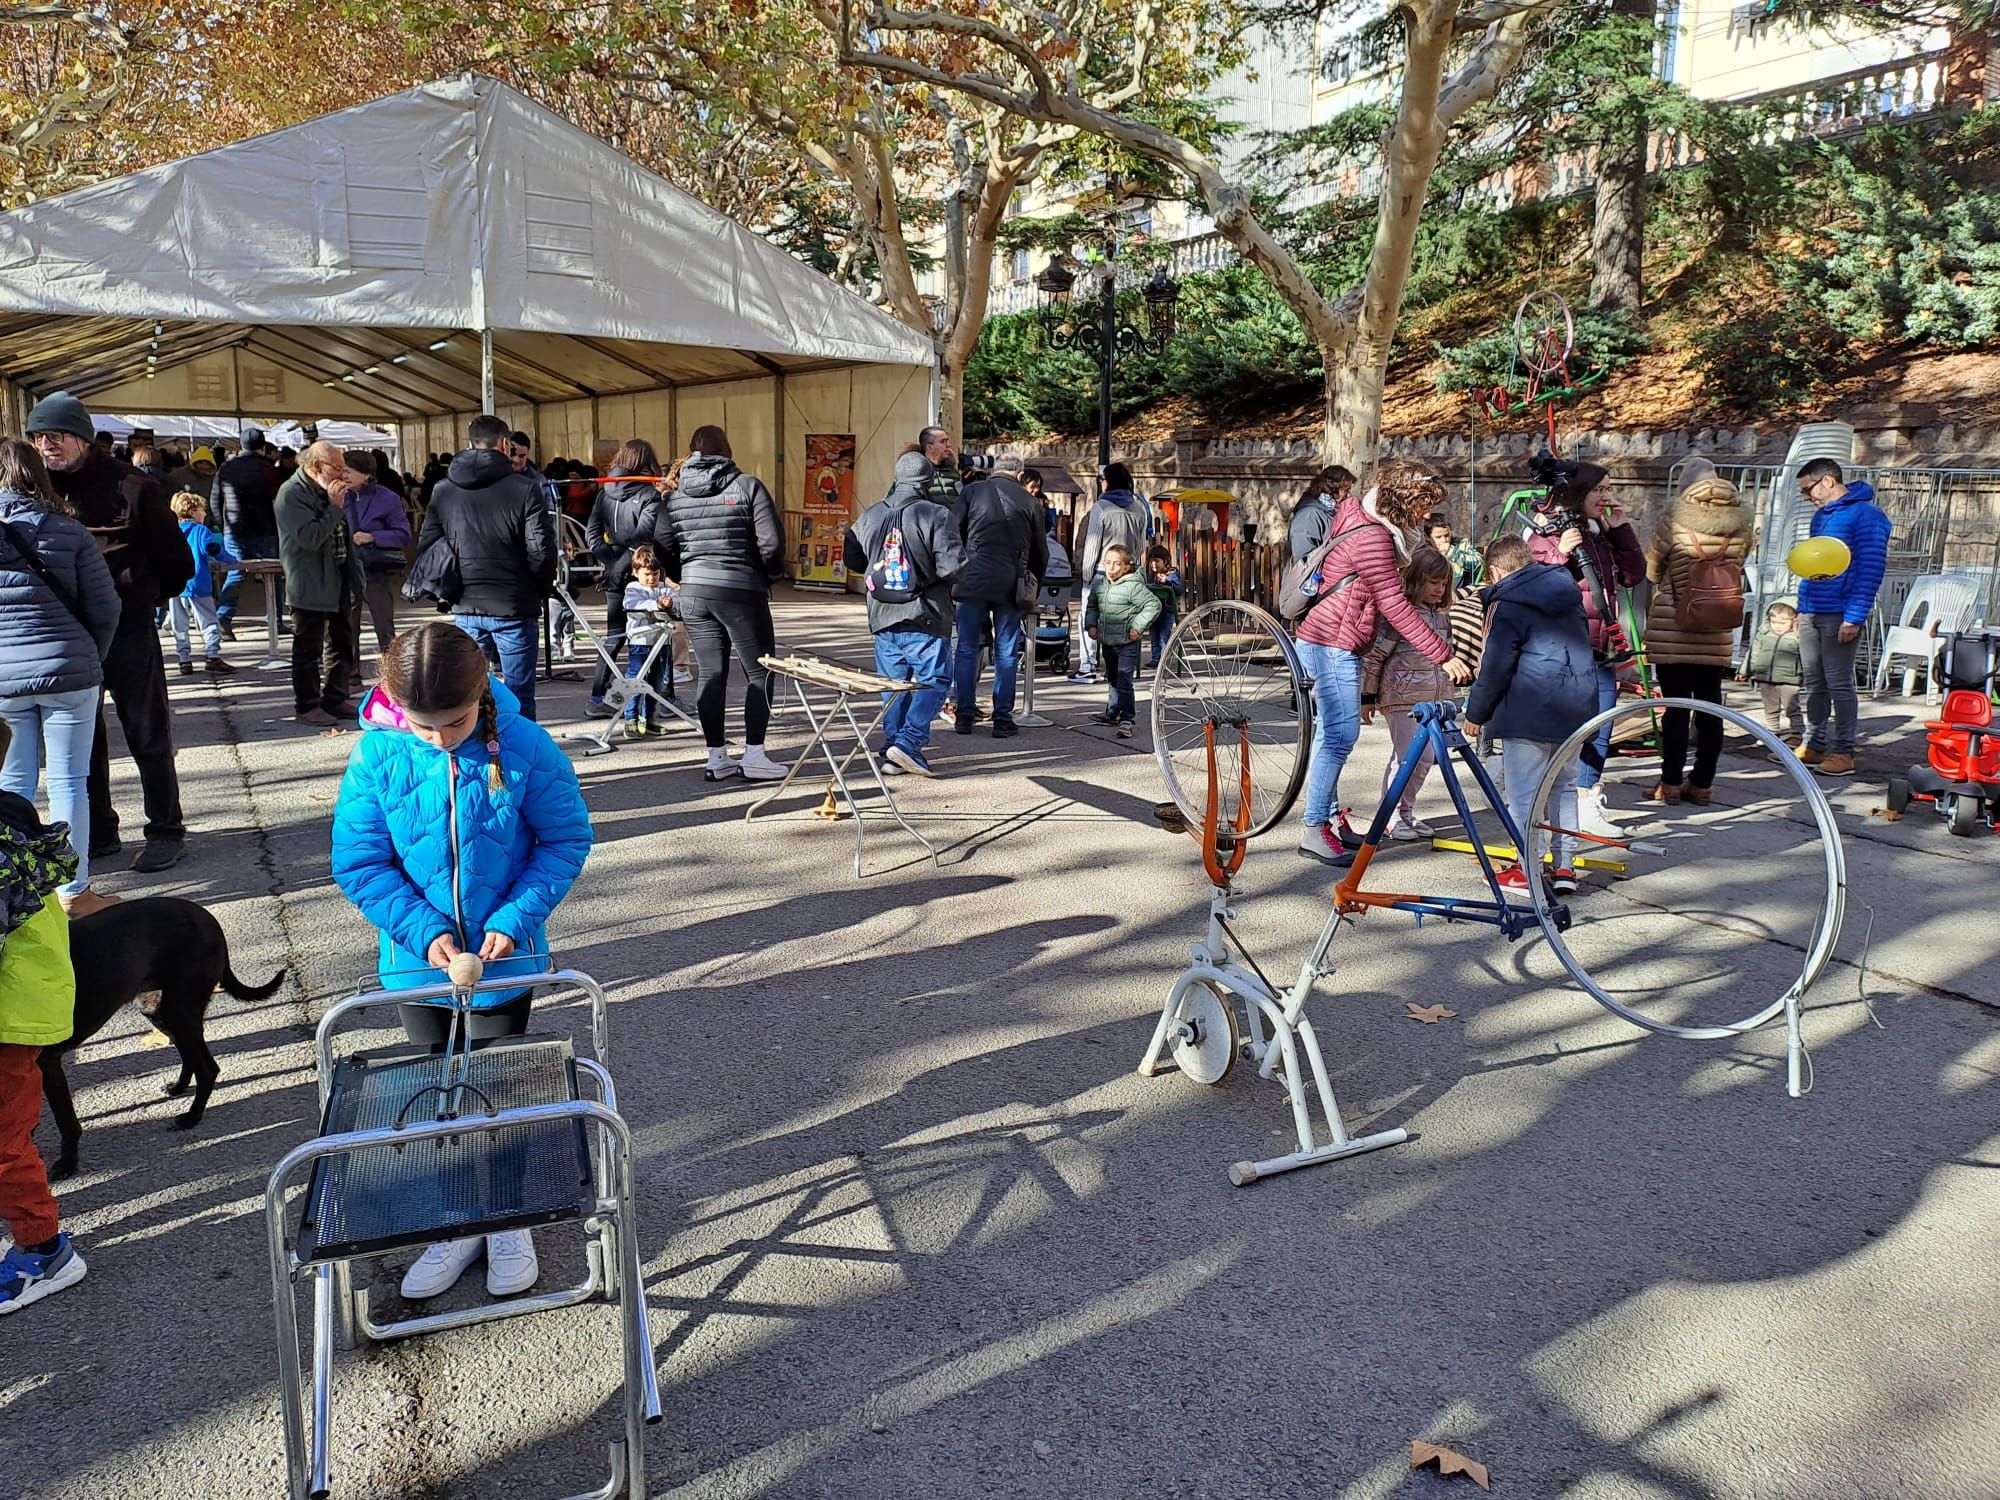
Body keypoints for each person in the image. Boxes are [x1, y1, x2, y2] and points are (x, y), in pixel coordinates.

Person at [331, 622, 591, 1303]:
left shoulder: (527, 744)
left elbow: (565, 839)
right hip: (421, 967)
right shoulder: (378, 752)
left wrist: (511, 920)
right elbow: (359, 862)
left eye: (455, 722)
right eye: (425, 727)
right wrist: (423, 933)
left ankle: (506, 1218)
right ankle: (454, 1217)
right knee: (436, 1094)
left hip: (505, 966)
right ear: (394, 706)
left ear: (482, 694)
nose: (441, 739)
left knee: (499, 1089)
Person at [29, 392, 192, 875]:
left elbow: (177, 564)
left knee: (147, 732)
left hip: (128, 631)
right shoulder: (36, 488)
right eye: (38, 437)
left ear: (80, 437)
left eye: (55, 436)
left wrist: (137, 598)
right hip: (70, 634)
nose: (46, 446)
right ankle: (100, 829)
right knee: (82, 737)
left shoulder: (136, 488)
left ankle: (165, 829)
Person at [1293, 459, 1473, 868]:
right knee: (1339, 736)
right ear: (1405, 498)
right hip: (1332, 641)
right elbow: (1394, 604)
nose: (1427, 513)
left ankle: (1330, 821)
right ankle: (1314, 828)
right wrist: (1443, 655)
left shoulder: (1365, 517)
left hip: (1334, 639)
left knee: (1330, 736)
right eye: (1424, 503)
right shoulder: (1374, 536)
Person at [0, 439, 121, 918]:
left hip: (5, 678)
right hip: (69, 672)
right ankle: (75, 892)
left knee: (13, 779)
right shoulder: (68, 531)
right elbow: (107, 606)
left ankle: (15, 885)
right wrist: (93, 655)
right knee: (70, 781)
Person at [0, 737, 89, 1316]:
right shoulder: (10, 812)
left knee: (4, 1140)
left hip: (10, 1016)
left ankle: (45, 1251)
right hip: (19, 1003)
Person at [1461, 533, 1596, 894]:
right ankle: (1565, 865)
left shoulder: (1508, 602)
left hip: (1528, 707)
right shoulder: (1567, 593)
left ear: (1493, 571)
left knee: (1525, 795)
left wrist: (1477, 713)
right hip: (1575, 707)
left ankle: (1529, 868)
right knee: (1565, 787)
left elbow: (1495, 665)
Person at [652, 425, 788, 781]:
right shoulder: (748, 486)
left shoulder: (675, 496)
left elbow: (663, 544)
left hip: (695, 592)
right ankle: (754, 754)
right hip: (742, 591)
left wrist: (685, 576)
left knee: (711, 674)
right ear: (728, 451)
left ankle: (717, 757)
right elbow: (772, 544)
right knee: (759, 671)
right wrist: (766, 575)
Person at [1527, 463, 1644, 837]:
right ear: (1579, 492)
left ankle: (1585, 800)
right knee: (1562, 731)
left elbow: (1633, 574)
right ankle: (1546, 803)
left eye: (1609, 489)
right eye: (1600, 490)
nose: (1606, 497)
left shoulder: (1599, 533)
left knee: (1601, 725)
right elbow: (1535, 583)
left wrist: (1621, 528)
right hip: (1564, 649)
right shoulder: (1547, 533)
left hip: (1602, 648)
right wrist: (1560, 552)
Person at [418, 414, 557, 721]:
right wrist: (540, 589)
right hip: (514, 604)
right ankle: (519, 762)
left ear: (470, 444)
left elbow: (428, 544)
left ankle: (481, 761)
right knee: (519, 696)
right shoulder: (525, 488)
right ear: (505, 444)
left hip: (465, 603)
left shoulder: (443, 489)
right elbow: (541, 550)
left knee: (470, 694)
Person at [841, 451, 965, 777]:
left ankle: (892, 750)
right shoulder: (935, 514)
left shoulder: (871, 514)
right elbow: (952, 567)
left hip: (882, 613)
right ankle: (907, 744)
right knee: (933, 681)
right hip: (924, 612)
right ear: (928, 480)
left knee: (893, 685)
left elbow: (852, 555)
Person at [1644, 461, 1752, 806]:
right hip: (1716, 627)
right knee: (1710, 708)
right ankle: (1703, 783)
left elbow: (1652, 569)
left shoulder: (1673, 522)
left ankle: (1671, 783)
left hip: (1673, 626)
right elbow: (1740, 564)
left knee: (1676, 708)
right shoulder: (1741, 524)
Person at [1795, 457, 1890, 777]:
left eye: (1808, 489)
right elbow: (1813, 563)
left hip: (1840, 611)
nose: (1807, 497)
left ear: (1828, 481)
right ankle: (1814, 743)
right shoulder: (1821, 517)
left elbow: (1870, 568)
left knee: (1839, 682)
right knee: (1814, 680)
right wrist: (1802, 606)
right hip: (1813, 608)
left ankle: (1844, 750)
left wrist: (1855, 615)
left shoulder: (1868, 516)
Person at [1362, 547, 1458, 841]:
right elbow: (1375, 655)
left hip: (1430, 700)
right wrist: (1367, 696)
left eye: (1443, 583)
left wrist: (1448, 697)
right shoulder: (1400, 615)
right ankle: (1390, 816)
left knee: (1419, 759)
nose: (1439, 589)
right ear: (1416, 579)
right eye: (1433, 582)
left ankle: (1403, 812)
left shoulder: (1441, 616)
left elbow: (1444, 658)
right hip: (1402, 697)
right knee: (1412, 759)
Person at [951, 461, 1047, 737]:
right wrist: (1033, 585)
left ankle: (964, 715)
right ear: (1018, 474)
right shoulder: (1030, 501)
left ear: (996, 471)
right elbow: (1041, 551)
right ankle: (1003, 718)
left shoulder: (972, 491)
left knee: (967, 649)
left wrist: (956, 569)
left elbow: (953, 531)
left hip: (973, 579)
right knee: (1006, 652)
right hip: (1011, 582)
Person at [276, 442, 366, 727]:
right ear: (316, 467)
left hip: (337, 575)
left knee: (342, 641)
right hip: (309, 581)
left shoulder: (328, 490)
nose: (342, 473)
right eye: (336, 467)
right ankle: (307, 705)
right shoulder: (291, 494)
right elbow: (310, 537)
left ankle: (335, 697)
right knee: (308, 647)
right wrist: (334, 507)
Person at [585, 440, 665, 716]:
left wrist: (609, 562)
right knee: (656, 634)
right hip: (644, 570)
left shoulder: (603, 492)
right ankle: (662, 700)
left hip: (616, 568)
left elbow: (592, 533)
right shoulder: (649, 494)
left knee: (615, 634)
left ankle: (596, 697)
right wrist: (622, 566)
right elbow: (643, 535)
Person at [1069, 463, 1151, 684]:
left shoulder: (1101, 507)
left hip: (1101, 572)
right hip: (1127, 571)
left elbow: (1092, 544)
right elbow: (1141, 546)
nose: (1102, 483)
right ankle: (1116, 669)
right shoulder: (1138, 508)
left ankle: (1087, 666)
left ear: (1109, 482)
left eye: (1103, 480)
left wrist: (1086, 576)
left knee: (1089, 618)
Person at [340, 451, 413, 658]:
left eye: (348, 471)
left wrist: (373, 536)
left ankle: (392, 673)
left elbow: (403, 534)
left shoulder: (386, 498)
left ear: (366, 474)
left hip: (375, 569)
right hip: (345, 569)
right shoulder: (335, 495)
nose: (343, 476)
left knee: (384, 626)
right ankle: (350, 675)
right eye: (341, 471)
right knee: (347, 626)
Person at [1084, 545, 1161, 739]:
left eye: (1116, 564)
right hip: (1108, 640)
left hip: (1127, 641)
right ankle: (1112, 712)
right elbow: (1092, 605)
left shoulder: (1133, 586)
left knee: (1124, 678)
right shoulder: (1101, 585)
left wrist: (1138, 626)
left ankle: (1127, 718)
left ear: (1126, 567)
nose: (1111, 567)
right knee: (1112, 677)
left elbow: (1153, 604)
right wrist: (1091, 624)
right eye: (1107, 563)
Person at [213, 428, 283, 633]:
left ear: (241, 445)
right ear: (262, 447)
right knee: (273, 574)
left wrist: (222, 523)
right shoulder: (268, 469)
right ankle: (276, 619)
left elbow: (215, 499)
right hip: (265, 528)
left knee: (235, 573)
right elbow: (278, 500)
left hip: (234, 529)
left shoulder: (226, 468)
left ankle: (223, 618)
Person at [167, 492, 235, 677]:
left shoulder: (172, 530)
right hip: (198, 582)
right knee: (208, 620)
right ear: (193, 511)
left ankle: (184, 659)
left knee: (179, 622)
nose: (205, 514)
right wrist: (233, 561)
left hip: (175, 583)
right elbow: (214, 549)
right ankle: (212, 656)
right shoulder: (201, 531)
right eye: (202, 510)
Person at [620, 546, 678, 738]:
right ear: (636, 572)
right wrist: (656, 605)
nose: (651, 579)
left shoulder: (664, 588)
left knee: (656, 681)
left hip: (662, 643)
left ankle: (649, 718)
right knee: (636, 680)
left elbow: (676, 601)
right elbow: (632, 606)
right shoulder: (633, 588)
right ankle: (631, 719)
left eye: (655, 574)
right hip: (640, 641)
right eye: (647, 574)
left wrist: (670, 603)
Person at [1742, 600, 1805, 746]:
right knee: (1770, 708)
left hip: (1790, 678)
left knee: (1792, 708)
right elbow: (1754, 652)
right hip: (1766, 676)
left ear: (1793, 621)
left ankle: (1797, 734)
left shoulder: (1798, 636)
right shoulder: (1764, 633)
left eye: (1782, 623)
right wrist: (1746, 670)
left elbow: (1806, 657)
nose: (1777, 626)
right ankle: (1772, 733)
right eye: (1774, 622)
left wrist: (1804, 675)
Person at [1143, 545, 1182, 667]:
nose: (1154, 564)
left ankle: (1164, 661)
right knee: (1154, 637)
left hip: (1166, 611)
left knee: (1164, 637)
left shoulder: (1172, 574)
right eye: (1151, 561)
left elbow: (1179, 590)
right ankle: (1156, 659)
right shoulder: (1150, 577)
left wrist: (1168, 581)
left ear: (1165, 561)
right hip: (1152, 612)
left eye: (1157, 561)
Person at [1423, 513, 1481, 589]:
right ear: (1427, 537)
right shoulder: (1424, 551)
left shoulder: (1462, 544)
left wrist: (1452, 553)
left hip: (1460, 592)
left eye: (1447, 535)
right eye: (1438, 537)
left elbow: (1478, 564)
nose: (1444, 540)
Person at [918, 426, 961, 512]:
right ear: (930, 447)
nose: (949, 445)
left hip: (954, 522)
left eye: (948, 441)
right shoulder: (914, 473)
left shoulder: (953, 472)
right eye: (943, 442)